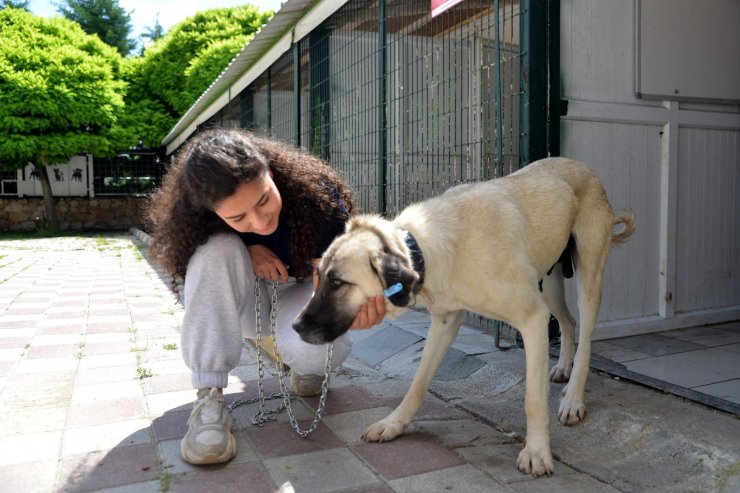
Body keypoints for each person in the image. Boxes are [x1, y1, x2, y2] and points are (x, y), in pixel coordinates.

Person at [146, 129, 386, 465]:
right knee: (214, 252)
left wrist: (354, 296)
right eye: (237, 217)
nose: (260, 221)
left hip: (300, 290)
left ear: (269, 173)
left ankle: (307, 367)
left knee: (313, 348)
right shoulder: (200, 220)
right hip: (246, 301)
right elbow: (211, 282)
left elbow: (338, 273)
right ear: (211, 211)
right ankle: (209, 398)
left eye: (263, 200)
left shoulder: (319, 197)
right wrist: (246, 248)